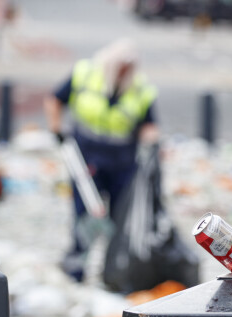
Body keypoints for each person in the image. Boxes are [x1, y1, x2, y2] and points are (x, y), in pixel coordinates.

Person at [44, 39, 159, 282]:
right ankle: (77, 267)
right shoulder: (86, 74)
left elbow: (148, 123)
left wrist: (153, 143)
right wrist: (57, 130)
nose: (124, 73)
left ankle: (114, 271)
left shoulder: (140, 88)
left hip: (122, 163)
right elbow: (55, 100)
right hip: (87, 159)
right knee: (83, 214)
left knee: (120, 217)